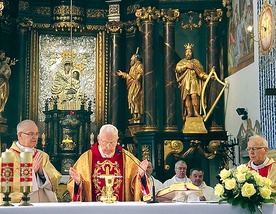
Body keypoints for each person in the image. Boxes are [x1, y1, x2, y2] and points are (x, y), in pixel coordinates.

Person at [67, 124, 149, 202]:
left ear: (117, 140)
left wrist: (141, 176)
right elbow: (74, 187)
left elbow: (138, 189)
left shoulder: (128, 159)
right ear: (99, 139)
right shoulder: (85, 159)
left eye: (112, 143)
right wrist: (78, 183)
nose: (109, 147)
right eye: (105, 142)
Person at [0, 120, 62, 203]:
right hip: (22, 205)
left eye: (36, 134)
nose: (35, 137)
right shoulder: (9, 157)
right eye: (31, 134)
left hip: (43, 203)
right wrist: (31, 172)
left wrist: (41, 172)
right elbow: (7, 183)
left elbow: (55, 178)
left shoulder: (42, 155)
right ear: (20, 135)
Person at [175, 43, 208, 121]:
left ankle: (196, 112)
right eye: (187, 52)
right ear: (184, 53)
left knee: (194, 96)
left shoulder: (196, 62)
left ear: (192, 53)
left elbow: (201, 73)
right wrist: (186, 66)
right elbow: (177, 69)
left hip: (194, 81)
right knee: (187, 98)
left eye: (190, 51)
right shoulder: (182, 62)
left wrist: (209, 76)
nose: (188, 53)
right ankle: (189, 112)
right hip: (185, 82)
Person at [117, 49, 143, 123]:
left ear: (136, 59)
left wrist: (136, 79)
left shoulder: (139, 65)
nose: (131, 59)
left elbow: (140, 74)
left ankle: (139, 116)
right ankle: (134, 116)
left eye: (132, 58)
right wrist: (124, 75)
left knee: (135, 98)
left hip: (137, 85)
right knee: (131, 99)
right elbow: (130, 76)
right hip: (132, 84)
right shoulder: (132, 67)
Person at [0, 50, 12, 120]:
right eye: (2, 55)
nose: (4, 57)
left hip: (4, 83)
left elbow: (7, 73)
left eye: (4, 55)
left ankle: (0, 114)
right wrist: (4, 66)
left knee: (3, 98)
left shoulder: (3, 64)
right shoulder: (3, 64)